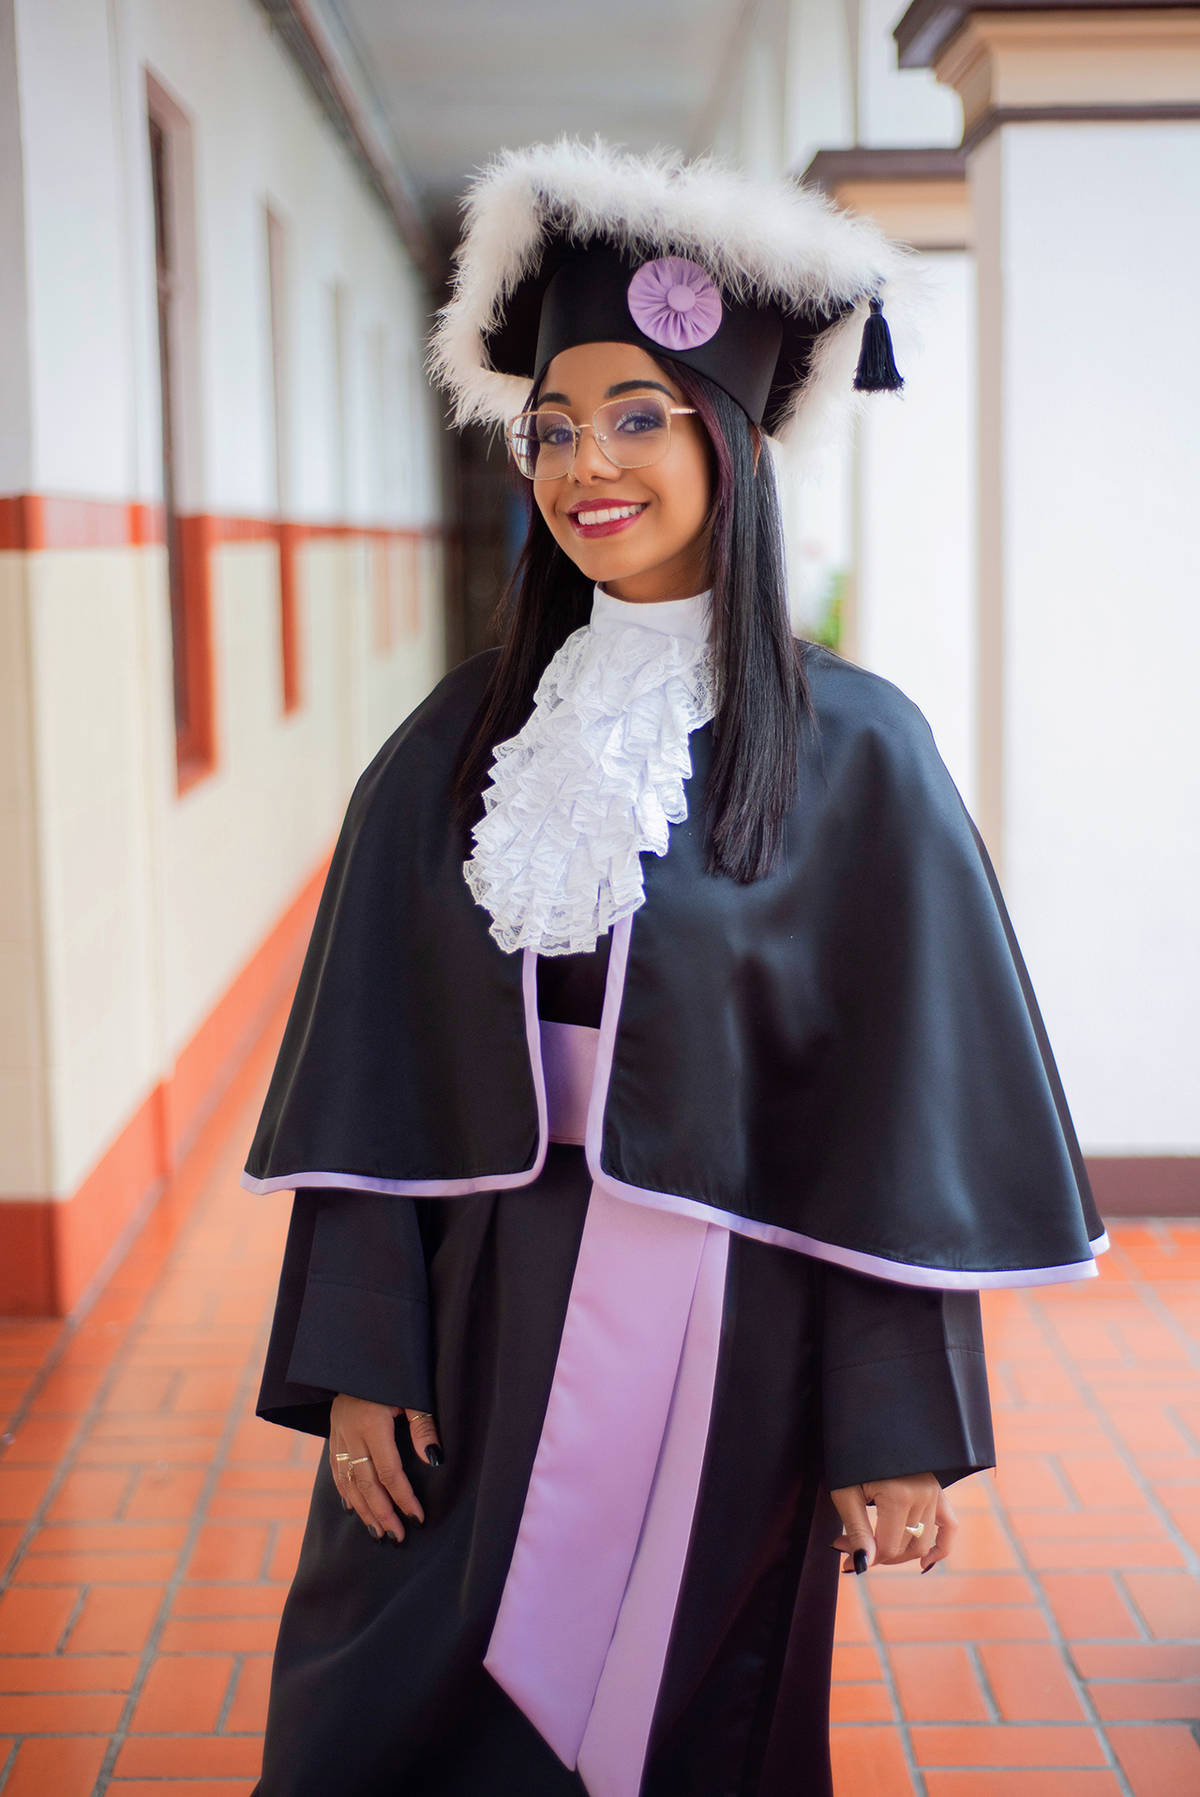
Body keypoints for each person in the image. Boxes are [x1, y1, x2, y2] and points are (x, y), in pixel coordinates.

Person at [242, 142, 1104, 1797]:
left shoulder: (857, 753)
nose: (585, 464)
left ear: (733, 437)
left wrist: (887, 1411)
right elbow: (375, 1062)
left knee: (686, 1720)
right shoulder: (460, 742)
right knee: (377, 1698)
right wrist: (356, 1349)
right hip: (476, 1306)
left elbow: (890, 1123)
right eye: (553, 424)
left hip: (730, 1336)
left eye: (637, 413)